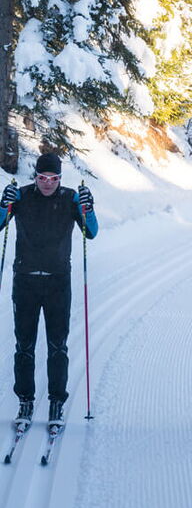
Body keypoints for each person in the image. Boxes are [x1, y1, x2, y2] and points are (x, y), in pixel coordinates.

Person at [0, 153, 97, 428]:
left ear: (60, 179)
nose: (47, 184)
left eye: (53, 179)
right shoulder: (21, 196)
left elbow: (91, 232)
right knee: (24, 346)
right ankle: (25, 402)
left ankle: (56, 403)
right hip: (26, 282)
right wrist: (4, 203)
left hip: (57, 283)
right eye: (42, 178)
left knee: (58, 347)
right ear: (36, 177)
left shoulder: (70, 199)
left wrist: (89, 208)